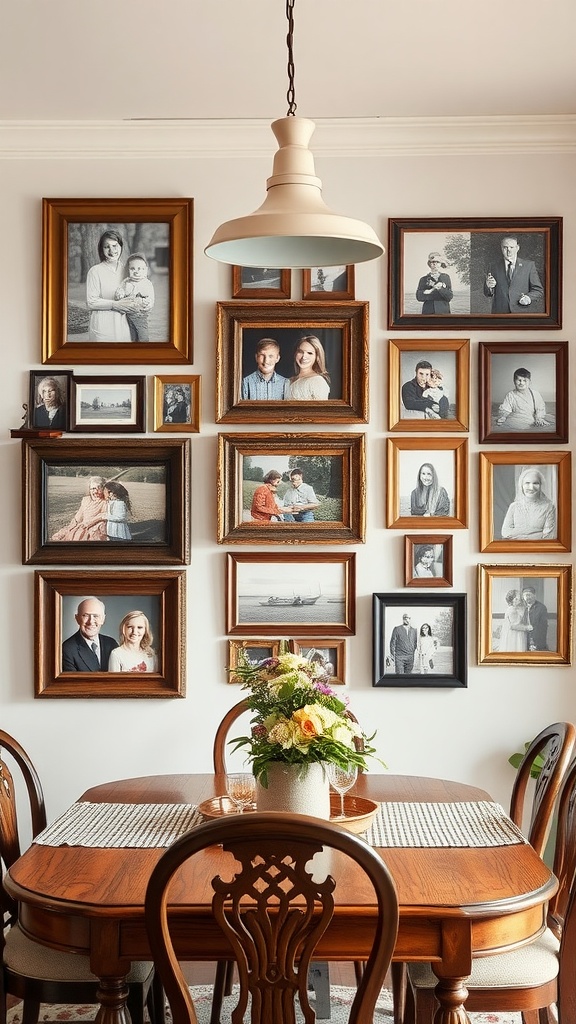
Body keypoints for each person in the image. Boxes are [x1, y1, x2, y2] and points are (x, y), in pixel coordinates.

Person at [86, 229, 134, 342]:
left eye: (115, 245)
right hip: (102, 326)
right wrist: (115, 305)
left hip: (123, 325)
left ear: (121, 246)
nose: (112, 250)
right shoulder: (95, 271)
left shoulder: (127, 270)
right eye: (107, 247)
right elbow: (91, 302)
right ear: (101, 250)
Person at [483, 235, 544, 314]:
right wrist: (489, 287)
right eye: (505, 247)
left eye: (511, 247)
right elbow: (488, 293)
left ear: (517, 248)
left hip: (522, 313)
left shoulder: (529, 266)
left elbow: (538, 290)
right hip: (499, 313)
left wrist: (528, 298)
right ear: (501, 248)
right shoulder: (493, 266)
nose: (509, 251)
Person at [61, 596, 117, 672]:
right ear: (77, 619)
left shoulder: (111, 644)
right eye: (85, 615)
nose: (91, 621)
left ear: (103, 619)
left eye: (95, 616)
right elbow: (72, 683)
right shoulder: (67, 649)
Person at [501, 467, 556, 541]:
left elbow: (549, 537)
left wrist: (518, 534)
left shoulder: (549, 507)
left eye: (536, 483)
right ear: (521, 486)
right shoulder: (513, 507)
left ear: (541, 486)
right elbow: (505, 533)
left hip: (539, 550)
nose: (531, 487)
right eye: (527, 483)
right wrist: (537, 533)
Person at [51, 476, 108, 542]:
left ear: (103, 489)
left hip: (94, 527)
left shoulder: (104, 502)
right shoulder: (86, 500)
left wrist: (89, 523)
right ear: (89, 490)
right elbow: (79, 516)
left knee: (80, 537)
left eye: (99, 488)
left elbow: (103, 515)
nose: (95, 491)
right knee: (68, 534)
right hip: (82, 525)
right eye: (93, 488)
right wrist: (72, 525)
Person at [114, 252, 155, 342]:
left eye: (140, 269)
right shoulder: (126, 282)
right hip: (127, 315)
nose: (136, 271)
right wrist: (119, 294)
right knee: (131, 335)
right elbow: (119, 293)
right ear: (128, 270)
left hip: (140, 314)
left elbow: (151, 298)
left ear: (145, 270)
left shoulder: (147, 283)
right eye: (132, 269)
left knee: (142, 336)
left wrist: (148, 303)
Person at [288, 336, 330, 400]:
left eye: (310, 353)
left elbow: (322, 409)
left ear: (317, 357)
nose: (304, 357)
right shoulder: (289, 380)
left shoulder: (318, 382)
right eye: (300, 351)